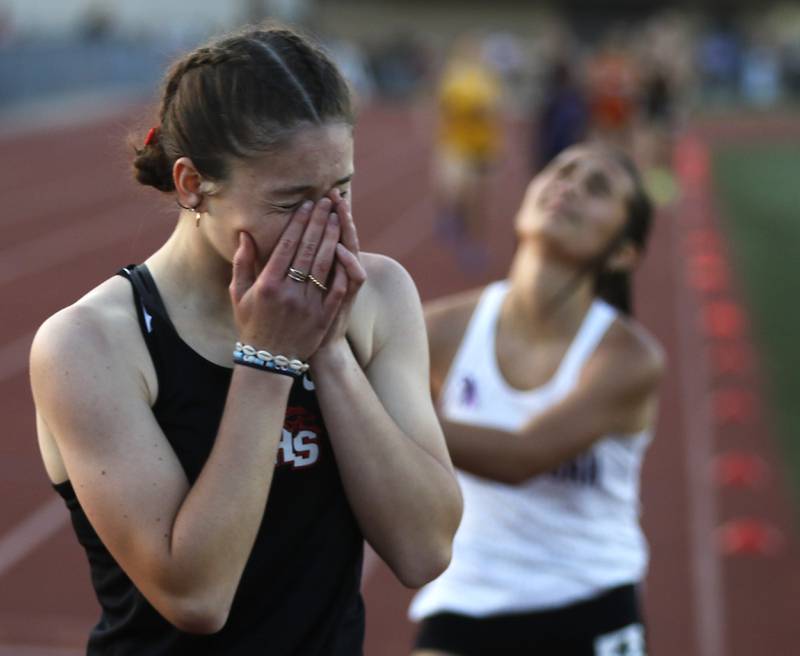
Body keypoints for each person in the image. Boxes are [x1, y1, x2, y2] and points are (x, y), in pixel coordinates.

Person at [29, 25, 462, 655]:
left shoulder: (378, 296)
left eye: (339, 190)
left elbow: (424, 551)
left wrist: (330, 350)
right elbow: (196, 597)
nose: (326, 228)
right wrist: (269, 359)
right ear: (191, 185)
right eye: (290, 203)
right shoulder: (90, 344)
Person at [410, 144, 665, 655]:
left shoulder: (627, 358)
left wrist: (387, 415)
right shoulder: (443, 328)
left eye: (597, 189)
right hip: (464, 600)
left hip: (589, 604)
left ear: (622, 253)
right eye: (561, 171)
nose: (568, 186)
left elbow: (521, 457)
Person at [433, 36, 503, 272]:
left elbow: (494, 109)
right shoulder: (454, 76)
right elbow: (444, 106)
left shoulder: (487, 78)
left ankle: (473, 244)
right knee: (457, 191)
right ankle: (455, 220)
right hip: (457, 145)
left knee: (477, 199)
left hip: (481, 147)